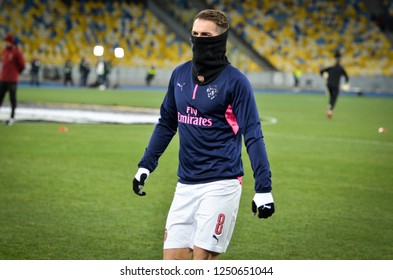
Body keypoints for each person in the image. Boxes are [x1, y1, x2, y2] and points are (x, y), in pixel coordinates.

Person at [132, 9, 275, 260]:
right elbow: (167, 123)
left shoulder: (236, 82)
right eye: (195, 34)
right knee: (171, 264)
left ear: (220, 40)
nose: (199, 40)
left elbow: (253, 134)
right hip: (185, 183)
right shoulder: (179, 75)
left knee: (202, 264)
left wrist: (263, 187)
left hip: (221, 183)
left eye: (205, 35)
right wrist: (146, 165)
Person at [0, 34, 25, 126]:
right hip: (3, 78)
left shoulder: (16, 52)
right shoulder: (4, 51)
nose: (5, 43)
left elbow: (22, 65)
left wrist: (15, 73)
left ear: (11, 42)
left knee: (12, 98)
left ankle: (12, 117)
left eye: (7, 41)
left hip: (12, 80)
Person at [320, 51, 349, 119]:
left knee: (331, 98)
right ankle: (330, 111)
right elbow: (346, 77)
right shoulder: (341, 69)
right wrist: (346, 83)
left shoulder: (331, 68)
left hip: (329, 85)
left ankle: (329, 109)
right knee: (334, 98)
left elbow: (321, 71)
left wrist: (324, 76)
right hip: (335, 86)